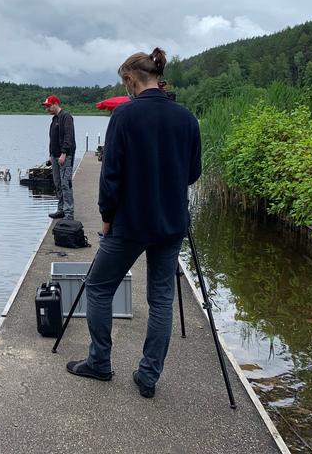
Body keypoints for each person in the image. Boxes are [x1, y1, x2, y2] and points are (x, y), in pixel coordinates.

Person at [66, 47, 201, 399]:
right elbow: (193, 174)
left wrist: (107, 219)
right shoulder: (187, 118)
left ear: (130, 79)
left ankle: (100, 363)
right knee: (161, 300)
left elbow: (110, 178)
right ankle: (148, 376)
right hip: (171, 224)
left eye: (123, 82)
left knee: (97, 288)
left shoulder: (125, 117)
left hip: (129, 223)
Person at [42, 94, 76, 220]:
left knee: (65, 184)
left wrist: (64, 153)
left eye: (48, 106)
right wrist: (51, 155)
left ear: (55, 104)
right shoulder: (54, 119)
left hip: (64, 156)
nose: (47, 109)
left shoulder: (66, 117)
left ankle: (69, 213)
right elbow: (53, 139)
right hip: (55, 156)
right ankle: (61, 209)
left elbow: (69, 136)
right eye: (46, 107)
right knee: (57, 183)